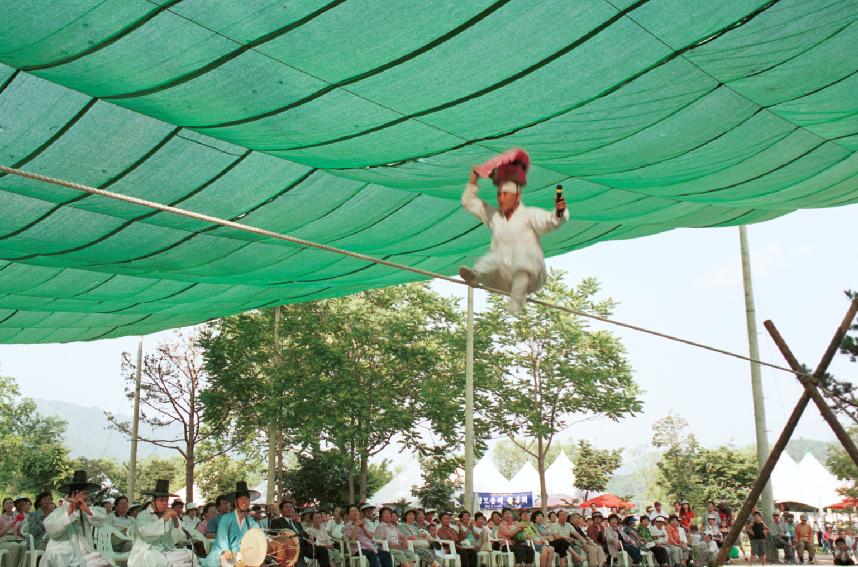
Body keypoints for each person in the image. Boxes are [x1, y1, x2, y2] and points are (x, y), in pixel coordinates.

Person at [459, 149, 569, 313]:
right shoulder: (495, 216)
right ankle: (476, 276)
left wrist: (559, 211)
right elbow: (468, 202)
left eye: (506, 194)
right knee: (493, 257)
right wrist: (473, 179)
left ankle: (517, 301)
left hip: (531, 275)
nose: (501, 198)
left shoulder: (529, 215)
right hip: (503, 276)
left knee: (522, 254)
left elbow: (551, 220)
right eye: (499, 195)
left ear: (516, 196)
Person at [42, 470, 110, 567]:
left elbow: (101, 520)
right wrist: (69, 513)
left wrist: (88, 511)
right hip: (63, 554)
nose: (88, 496)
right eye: (85, 493)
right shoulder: (59, 511)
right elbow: (52, 531)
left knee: (104, 562)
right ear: (74, 494)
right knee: (54, 556)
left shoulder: (86, 509)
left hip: (84, 555)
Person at [128, 479, 194, 567]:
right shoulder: (142, 515)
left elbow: (179, 539)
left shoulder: (169, 515)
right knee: (154, 558)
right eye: (161, 500)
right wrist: (164, 519)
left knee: (189, 554)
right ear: (153, 501)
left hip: (166, 551)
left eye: (167, 500)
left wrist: (175, 521)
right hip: (146, 551)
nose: (165, 503)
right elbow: (146, 532)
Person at [205, 481, 261, 567]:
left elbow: (258, 540)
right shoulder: (225, 519)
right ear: (235, 502)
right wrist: (227, 551)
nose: (244, 501)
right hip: (223, 553)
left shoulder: (253, 524)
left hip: (243, 557)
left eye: (247, 499)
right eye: (241, 499)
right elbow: (222, 541)